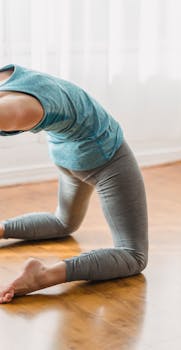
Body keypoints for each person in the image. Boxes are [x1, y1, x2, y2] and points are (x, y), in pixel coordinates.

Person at [0, 63, 148, 304]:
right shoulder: (15, 99)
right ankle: (43, 276)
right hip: (104, 156)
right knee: (133, 255)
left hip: (68, 153)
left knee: (63, 222)